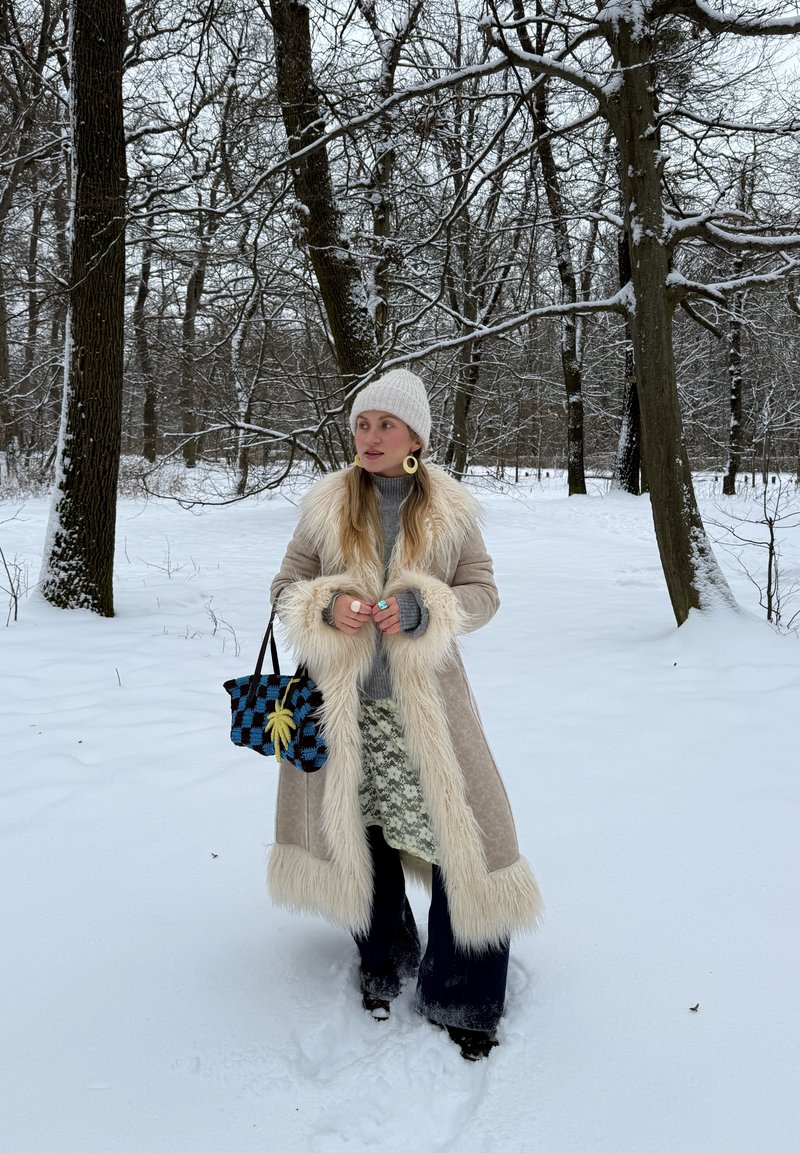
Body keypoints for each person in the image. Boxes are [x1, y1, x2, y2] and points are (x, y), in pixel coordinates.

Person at [268, 368, 541, 1060]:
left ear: (415, 434)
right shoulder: (326, 504)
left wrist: (428, 606)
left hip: (426, 709)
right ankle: (384, 959)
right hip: (341, 707)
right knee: (361, 833)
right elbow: (286, 585)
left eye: (385, 425)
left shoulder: (449, 509)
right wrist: (326, 605)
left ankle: (464, 993)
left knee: (467, 837)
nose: (370, 436)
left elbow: (482, 591)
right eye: (362, 423)